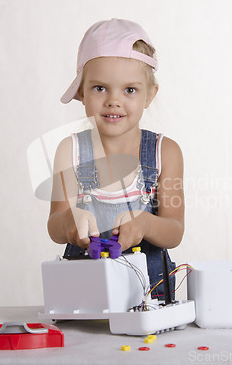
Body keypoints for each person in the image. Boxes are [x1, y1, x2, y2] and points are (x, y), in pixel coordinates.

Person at [47, 18, 184, 299]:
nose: (114, 100)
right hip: (85, 296)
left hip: (149, 297)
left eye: (129, 90)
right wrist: (69, 221)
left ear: (149, 95)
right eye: (100, 88)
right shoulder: (69, 151)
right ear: (82, 93)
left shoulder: (165, 152)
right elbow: (55, 226)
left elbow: (175, 231)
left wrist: (144, 223)